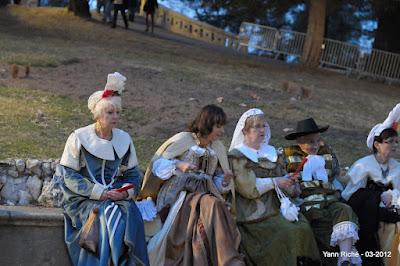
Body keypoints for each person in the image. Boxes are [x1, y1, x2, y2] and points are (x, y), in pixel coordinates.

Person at [60, 72, 149, 266]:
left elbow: (133, 174)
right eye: (110, 112)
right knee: (105, 215)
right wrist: (99, 193)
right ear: (98, 114)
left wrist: (123, 193)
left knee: (130, 213)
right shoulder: (79, 137)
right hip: (83, 198)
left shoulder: (124, 139)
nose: (115, 116)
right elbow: (68, 175)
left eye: (118, 112)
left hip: (114, 195)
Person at [140, 104, 244, 265]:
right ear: (207, 123)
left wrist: (224, 180)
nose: (222, 131)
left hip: (205, 193)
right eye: (218, 126)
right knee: (213, 206)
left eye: (223, 126)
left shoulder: (217, 148)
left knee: (216, 208)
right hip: (178, 194)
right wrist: (178, 166)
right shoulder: (183, 140)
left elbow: (214, 179)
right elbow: (157, 165)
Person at [228, 109, 320, 266]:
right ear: (245, 131)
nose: (262, 130)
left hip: (278, 206)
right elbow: (247, 188)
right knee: (286, 232)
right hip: (253, 211)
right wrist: (276, 182)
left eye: (264, 125)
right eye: (257, 126)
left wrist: (290, 185)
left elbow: (283, 179)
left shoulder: (272, 153)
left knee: (303, 228)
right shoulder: (238, 156)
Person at [283, 118, 361, 266]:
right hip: (306, 201)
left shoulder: (327, 154)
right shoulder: (287, 156)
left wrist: (338, 190)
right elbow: (284, 180)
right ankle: (326, 257)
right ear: (299, 141)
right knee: (320, 221)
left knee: (344, 209)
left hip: (330, 199)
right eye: (310, 142)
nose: (315, 145)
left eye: (317, 141)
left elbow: (336, 177)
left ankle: (344, 259)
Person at [342, 104, 400, 266]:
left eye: (396, 142)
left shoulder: (397, 167)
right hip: (372, 216)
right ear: (377, 144)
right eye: (390, 142)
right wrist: (378, 197)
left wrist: (394, 198)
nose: (395, 146)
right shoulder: (363, 166)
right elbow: (350, 196)